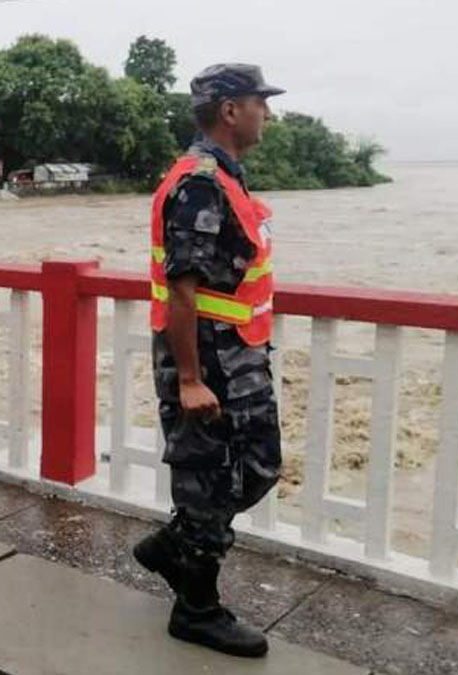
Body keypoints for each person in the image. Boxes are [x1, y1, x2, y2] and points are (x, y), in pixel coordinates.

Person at [133, 63, 285, 658]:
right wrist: (191, 379)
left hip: (238, 355)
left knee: (258, 468)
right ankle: (196, 608)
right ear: (229, 110)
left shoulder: (228, 177)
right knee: (208, 480)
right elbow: (183, 288)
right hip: (210, 360)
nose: (266, 113)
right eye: (258, 102)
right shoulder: (200, 181)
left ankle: (173, 546)